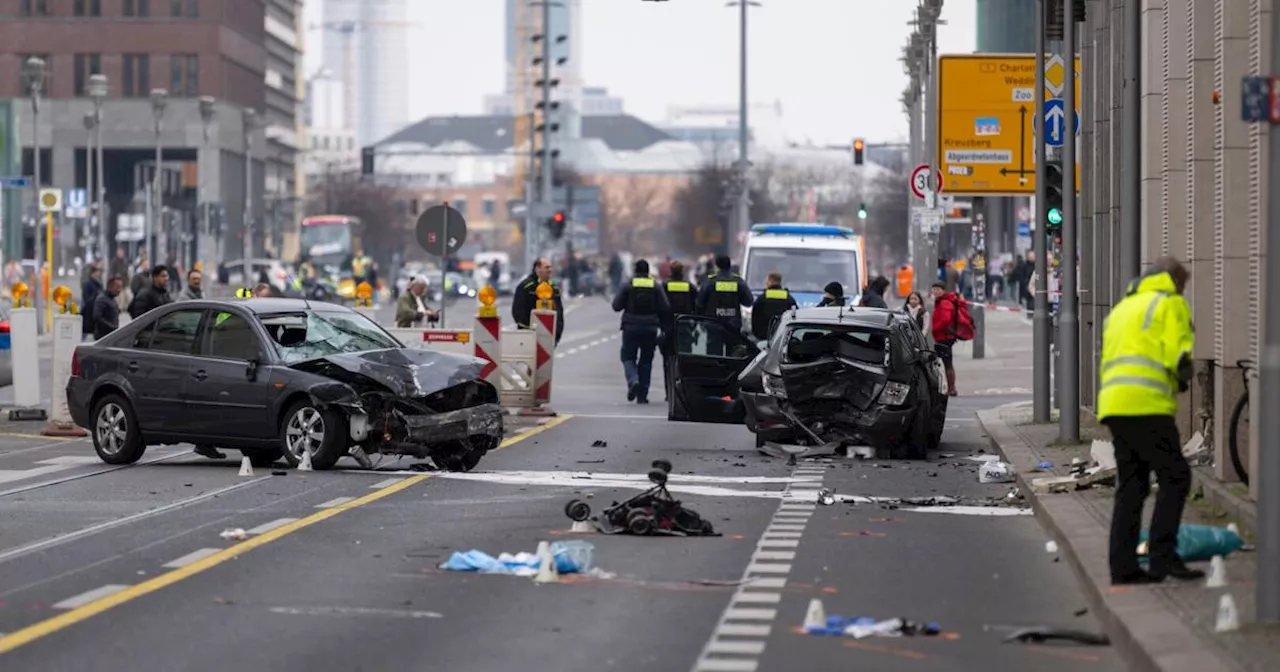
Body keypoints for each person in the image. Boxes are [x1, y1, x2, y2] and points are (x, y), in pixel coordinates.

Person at [1099, 258, 1201, 585]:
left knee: (1132, 484)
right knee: (1176, 477)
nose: (1182, 290)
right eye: (1182, 285)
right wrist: (1183, 379)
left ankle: (1123, 567)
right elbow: (1180, 358)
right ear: (1174, 281)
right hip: (1148, 404)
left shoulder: (1123, 308)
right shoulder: (1170, 304)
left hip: (1115, 404)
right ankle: (1163, 558)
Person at [612, 259, 670, 404]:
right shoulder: (655, 286)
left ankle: (633, 380)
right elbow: (665, 307)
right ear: (648, 271)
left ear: (635, 270)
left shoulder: (628, 284)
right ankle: (642, 395)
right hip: (650, 328)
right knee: (646, 360)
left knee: (627, 356)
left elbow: (616, 306)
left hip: (630, 326)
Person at [660, 260, 697, 399]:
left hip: (668, 328)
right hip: (685, 328)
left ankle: (669, 392)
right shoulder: (690, 287)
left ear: (671, 271)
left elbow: (661, 306)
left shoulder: (665, 286)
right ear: (682, 272)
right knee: (684, 361)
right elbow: (697, 306)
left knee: (668, 362)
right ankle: (682, 390)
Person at [512, 258, 565, 346]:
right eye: (547, 267)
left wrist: (557, 333)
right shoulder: (526, 287)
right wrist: (529, 329)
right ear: (537, 269)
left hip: (549, 337)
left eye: (550, 267)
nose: (550, 270)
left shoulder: (553, 288)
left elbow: (559, 312)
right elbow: (518, 311)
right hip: (528, 337)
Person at [694, 254, 752, 334]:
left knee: (713, 346)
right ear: (729, 265)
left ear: (716, 265)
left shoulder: (709, 281)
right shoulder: (738, 281)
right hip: (733, 325)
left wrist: (700, 321)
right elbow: (749, 302)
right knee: (732, 345)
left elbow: (699, 303)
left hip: (712, 325)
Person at [929, 281, 961, 396]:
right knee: (945, 362)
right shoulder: (941, 302)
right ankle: (950, 388)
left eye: (938, 289)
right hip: (944, 336)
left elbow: (946, 320)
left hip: (945, 337)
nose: (936, 292)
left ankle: (951, 388)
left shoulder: (944, 303)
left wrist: (935, 329)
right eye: (934, 289)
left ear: (943, 291)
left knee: (947, 363)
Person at [750, 271, 797, 341]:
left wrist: (759, 335)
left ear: (771, 281)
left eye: (767, 281)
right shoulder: (789, 298)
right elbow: (794, 317)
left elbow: (755, 319)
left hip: (764, 337)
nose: (766, 283)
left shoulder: (762, 298)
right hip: (782, 337)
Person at [92, 276, 123, 341]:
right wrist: (111, 327)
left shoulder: (112, 299)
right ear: (110, 287)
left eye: (120, 287)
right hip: (102, 336)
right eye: (117, 287)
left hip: (110, 335)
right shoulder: (102, 299)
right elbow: (97, 317)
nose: (119, 290)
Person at [81, 264, 103, 341]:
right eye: (97, 272)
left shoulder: (99, 284)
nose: (99, 274)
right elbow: (86, 299)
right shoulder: (87, 284)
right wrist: (95, 295)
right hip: (88, 313)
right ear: (93, 273)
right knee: (84, 332)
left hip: (95, 312)